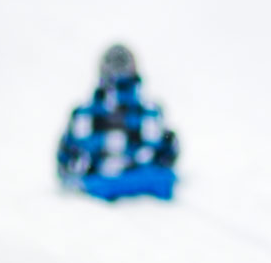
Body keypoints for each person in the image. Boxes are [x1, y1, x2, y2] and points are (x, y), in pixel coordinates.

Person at [56, 44, 180, 201]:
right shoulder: (150, 111)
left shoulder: (84, 113)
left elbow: (67, 159)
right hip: (145, 184)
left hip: (99, 185)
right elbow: (167, 152)